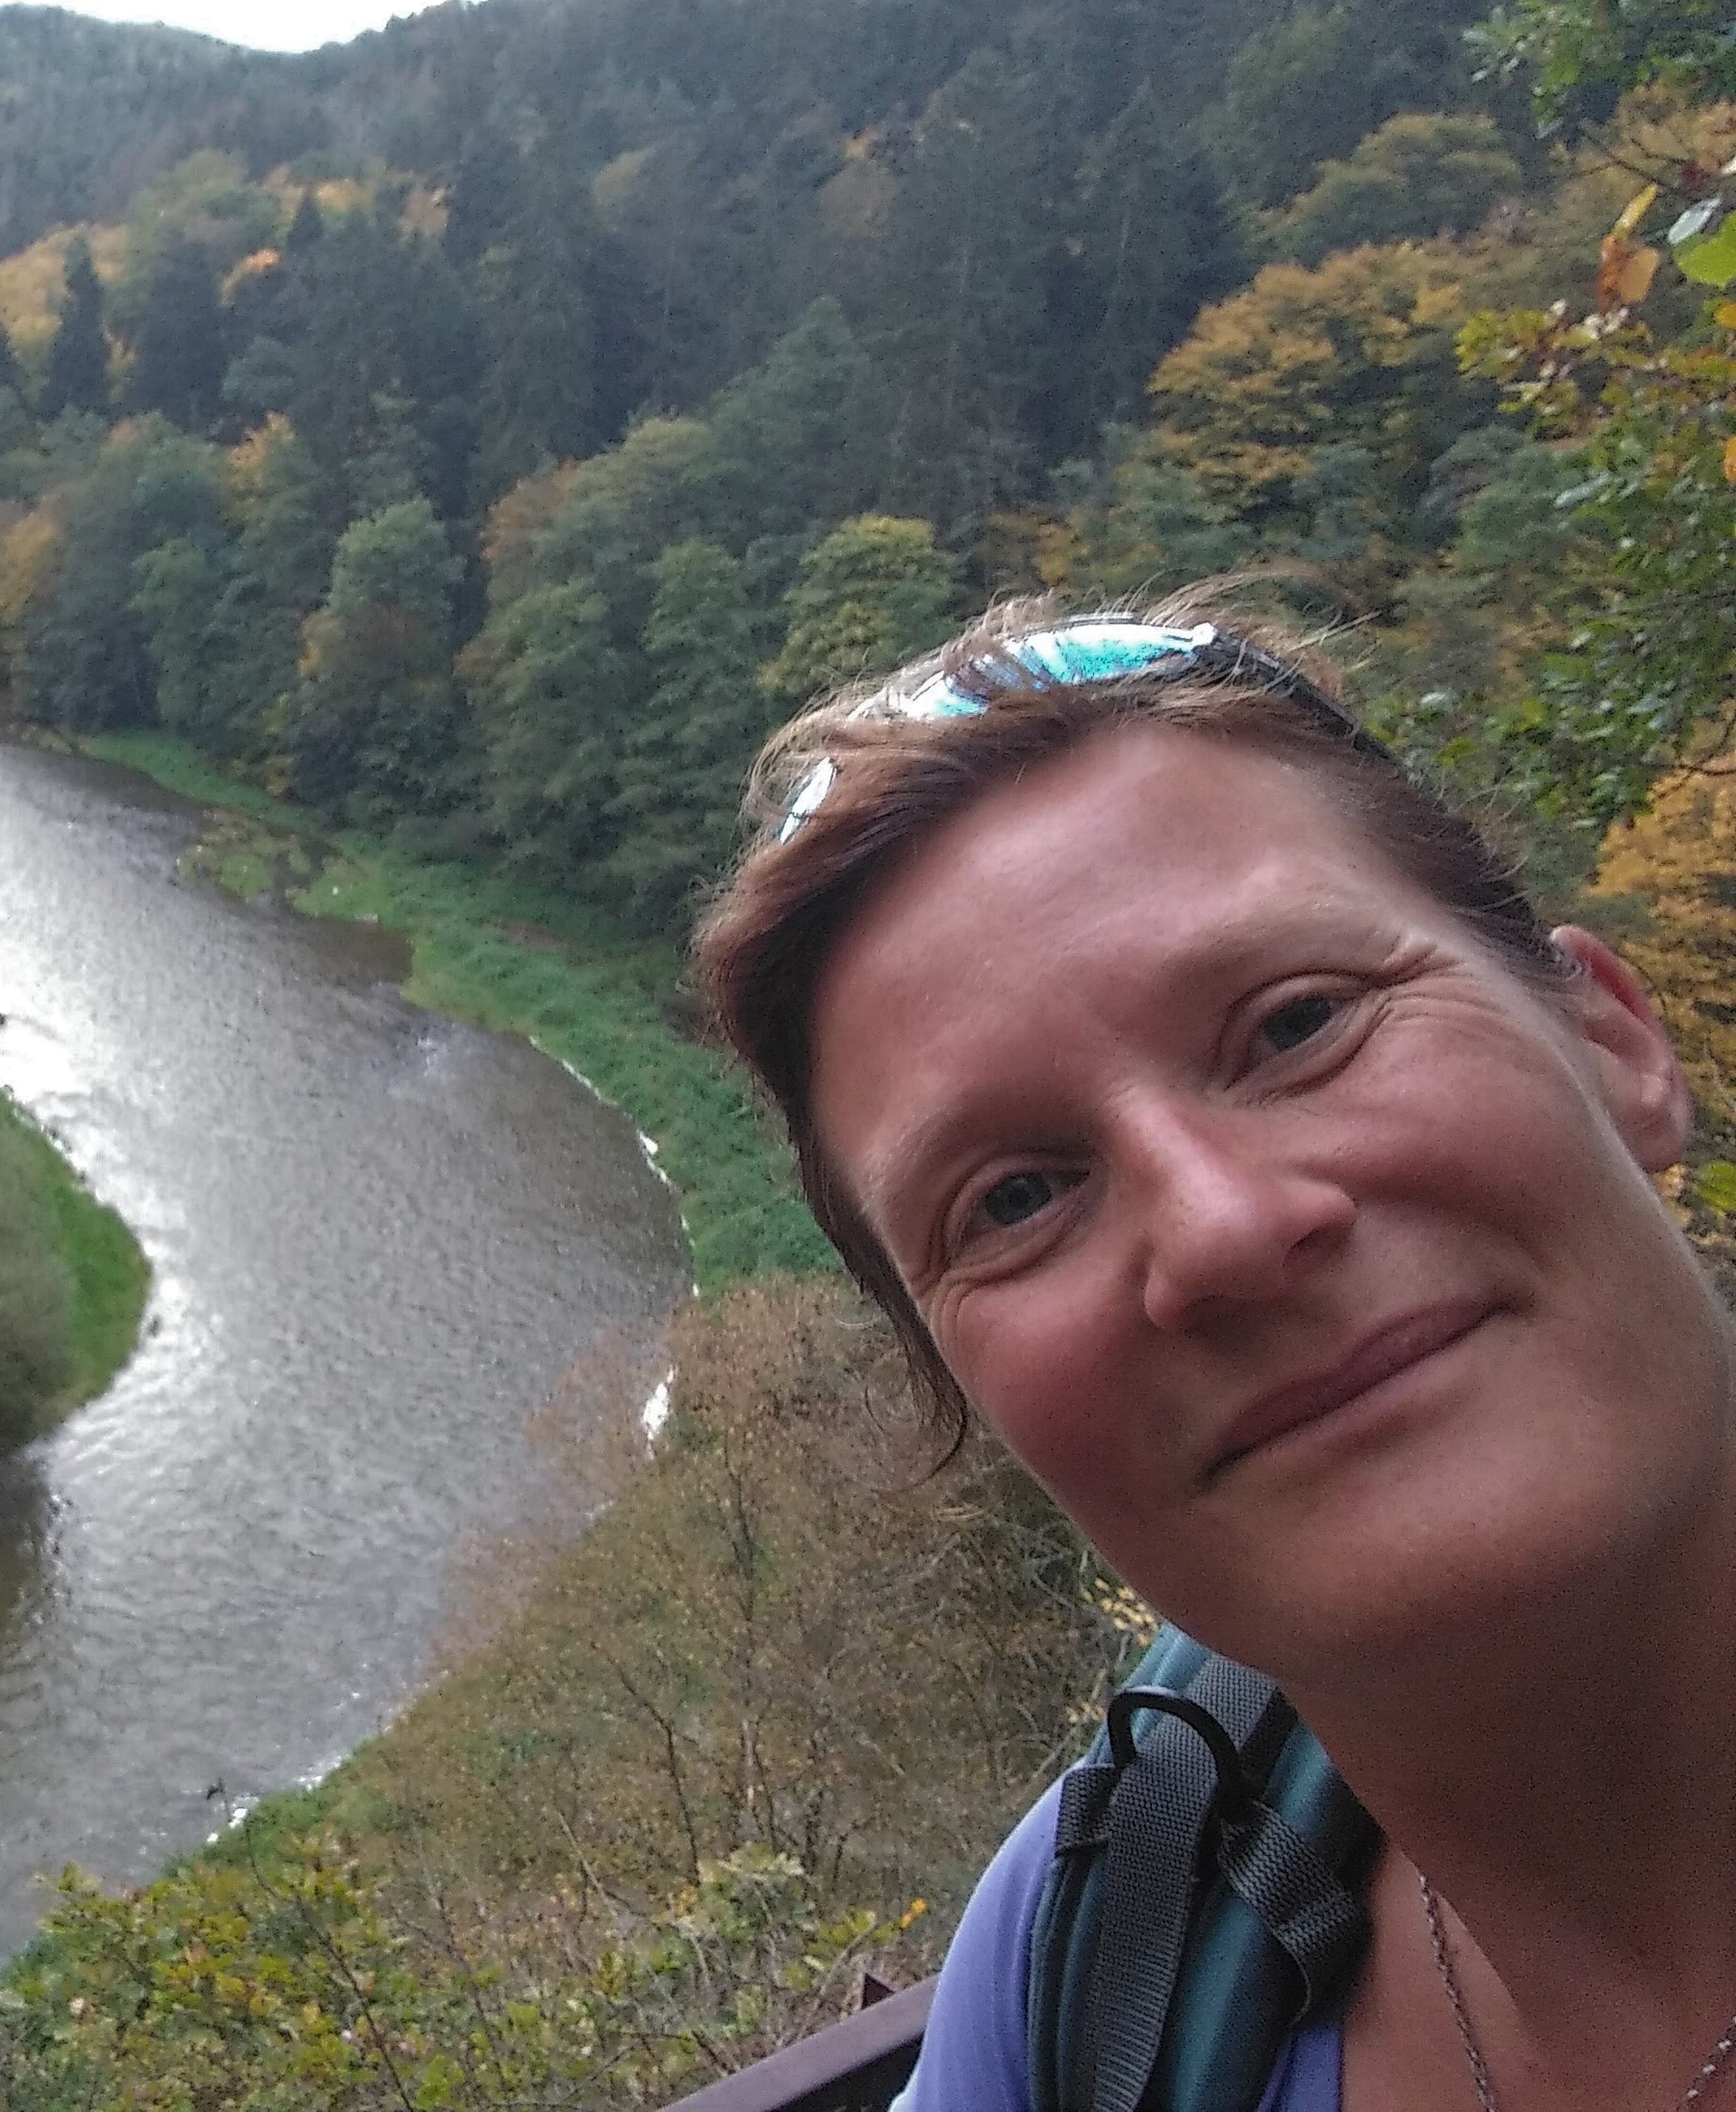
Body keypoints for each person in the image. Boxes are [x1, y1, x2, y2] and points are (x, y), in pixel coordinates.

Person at [690, 596, 1735, 2112]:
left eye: (1299, 1024)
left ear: (1615, 1043)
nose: (1223, 1229)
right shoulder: (1100, 1944)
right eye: (1017, 1200)